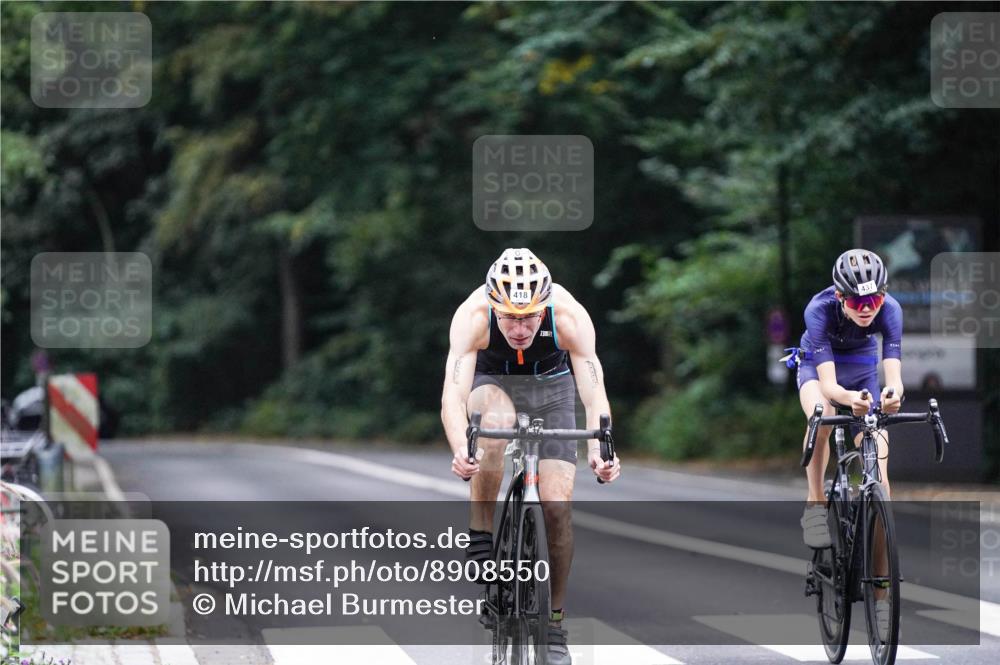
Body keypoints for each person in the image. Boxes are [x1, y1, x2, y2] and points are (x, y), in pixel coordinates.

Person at [441, 248, 620, 665]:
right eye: (509, 317)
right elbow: (453, 394)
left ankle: (554, 621)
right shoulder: (473, 315)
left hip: (552, 389)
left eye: (529, 317)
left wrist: (600, 449)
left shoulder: (569, 315)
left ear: (545, 308)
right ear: (493, 307)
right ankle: (482, 533)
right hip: (493, 382)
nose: (519, 328)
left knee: (558, 505)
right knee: (495, 423)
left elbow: (595, 394)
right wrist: (460, 448)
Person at [791, 249, 903, 639]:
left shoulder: (890, 310)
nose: (868, 309)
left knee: (882, 485)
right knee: (821, 415)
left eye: (875, 299)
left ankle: (882, 597)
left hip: (862, 368)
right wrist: (847, 399)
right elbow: (829, 386)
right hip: (821, 370)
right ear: (841, 298)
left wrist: (891, 395)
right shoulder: (818, 310)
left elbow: (894, 375)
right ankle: (816, 502)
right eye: (858, 302)